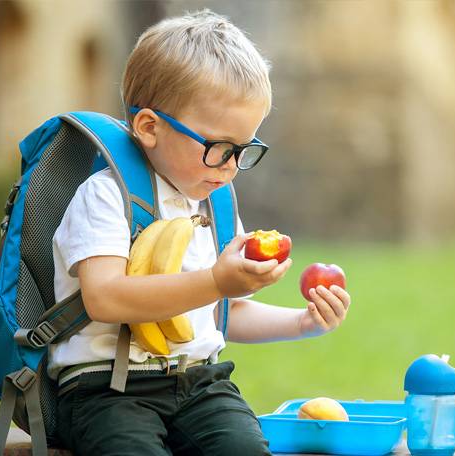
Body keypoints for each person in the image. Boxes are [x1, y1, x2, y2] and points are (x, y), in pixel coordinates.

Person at [49, 9, 351, 455]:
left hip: (200, 383)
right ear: (150, 128)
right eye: (217, 147)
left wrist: (303, 322)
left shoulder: (215, 204)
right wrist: (214, 281)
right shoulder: (106, 196)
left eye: (243, 149)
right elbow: (105, 298)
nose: (230, 166)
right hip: (107, 388)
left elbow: (223, 312)